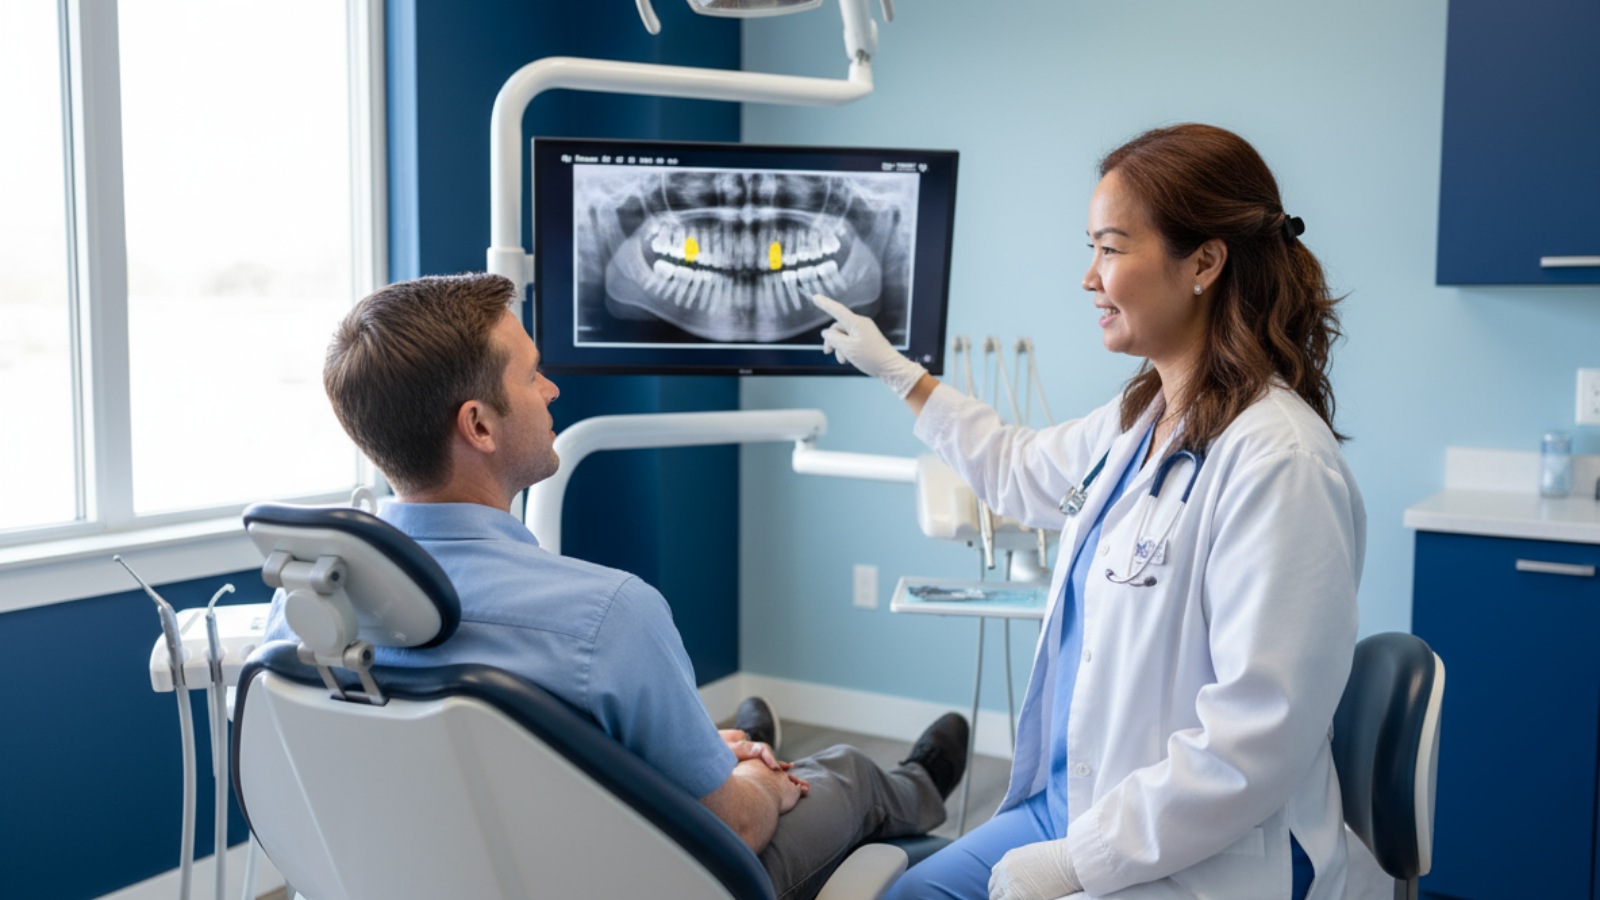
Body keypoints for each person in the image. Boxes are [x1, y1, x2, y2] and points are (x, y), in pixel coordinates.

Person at [261, 272, 969, 900]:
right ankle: (916, 784)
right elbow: (735, 831)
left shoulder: (305, 614)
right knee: (843, 773)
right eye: (532, 375)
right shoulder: (606, 617)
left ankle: (720, 750)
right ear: (478, 425)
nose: (551, 389)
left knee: (712, 757)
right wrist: (761, 787)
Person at [813, 123, 1364, 900]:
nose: (1088, 277)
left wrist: (1078, 862)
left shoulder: (1280, 461)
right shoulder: (1139, 422)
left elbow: (1257, 736)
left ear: (1204, 262)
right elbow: (1016, 468)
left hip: (1207, 848)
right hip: (1074, 806)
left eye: (1110, 248)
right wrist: (903, 376)